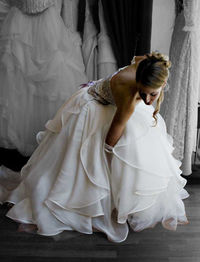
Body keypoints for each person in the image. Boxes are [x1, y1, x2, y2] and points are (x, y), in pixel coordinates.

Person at [0, 52, 189, 243]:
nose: (148, 100)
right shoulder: (129, 97)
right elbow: (113, 134)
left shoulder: (146, 64)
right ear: (138, 82)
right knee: (89, 162)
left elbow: (137, 58)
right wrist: (107, 163)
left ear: (163, 84)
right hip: (92, 104)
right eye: (143, 93)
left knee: (140, 145)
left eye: (153, 94)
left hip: (111, 100)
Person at [0, 0, 87, 157]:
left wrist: (70, 33)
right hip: (19, 25)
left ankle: (50, 135)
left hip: (48, 26)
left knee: (51, 82)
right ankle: (24, 137)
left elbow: (68, 8)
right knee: (19, 82)